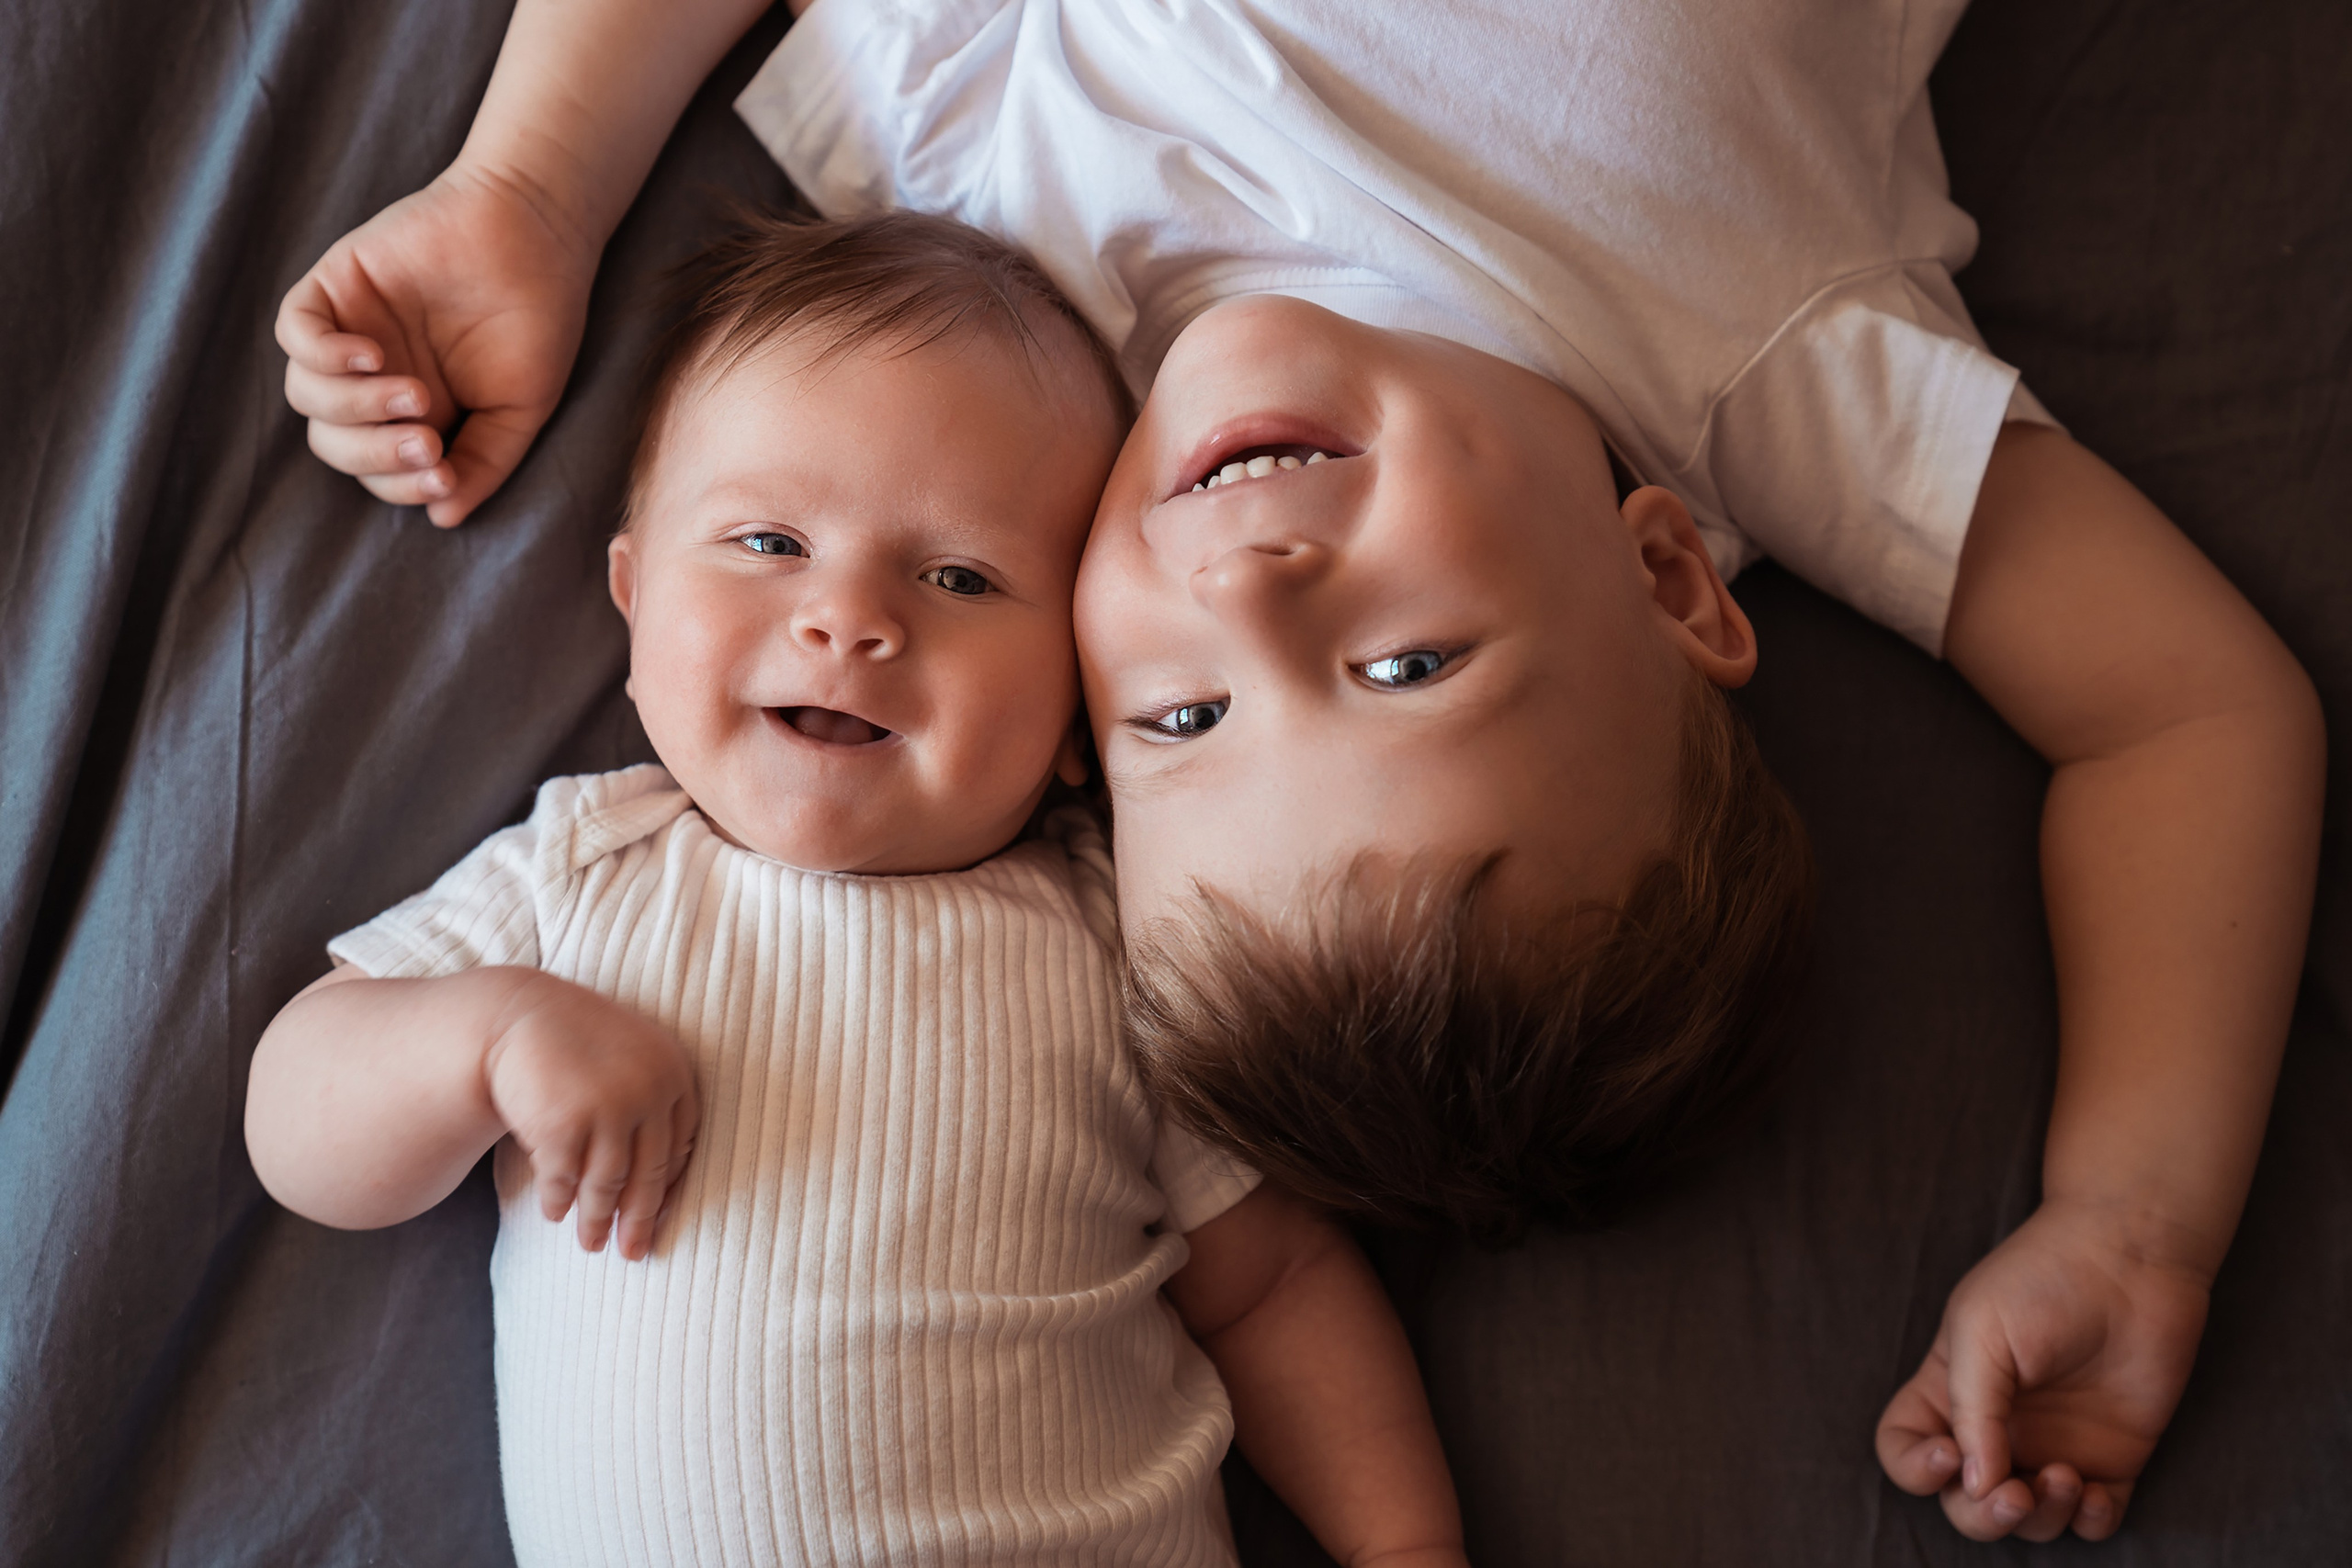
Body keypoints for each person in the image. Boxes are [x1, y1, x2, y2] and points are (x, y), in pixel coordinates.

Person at [273, 0, 2327, 1546]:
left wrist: (528, 190)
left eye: (1176, 723)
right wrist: (2134, 1213)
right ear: (1669, 578)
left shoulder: (997, 281)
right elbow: (2182, 711)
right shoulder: (1763, 373)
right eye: (1406, 660)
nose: (1241, 589)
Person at [247, 209, 1469, 1568]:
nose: (849, 619)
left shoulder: (1117, 940)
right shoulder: (581, 874)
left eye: (959, 575)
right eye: (769, 543)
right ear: (634, 596)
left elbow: (1275, 1287)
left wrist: (1406, 1544)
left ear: (1083, 702)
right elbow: (297, 1125)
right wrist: (484, 1041)